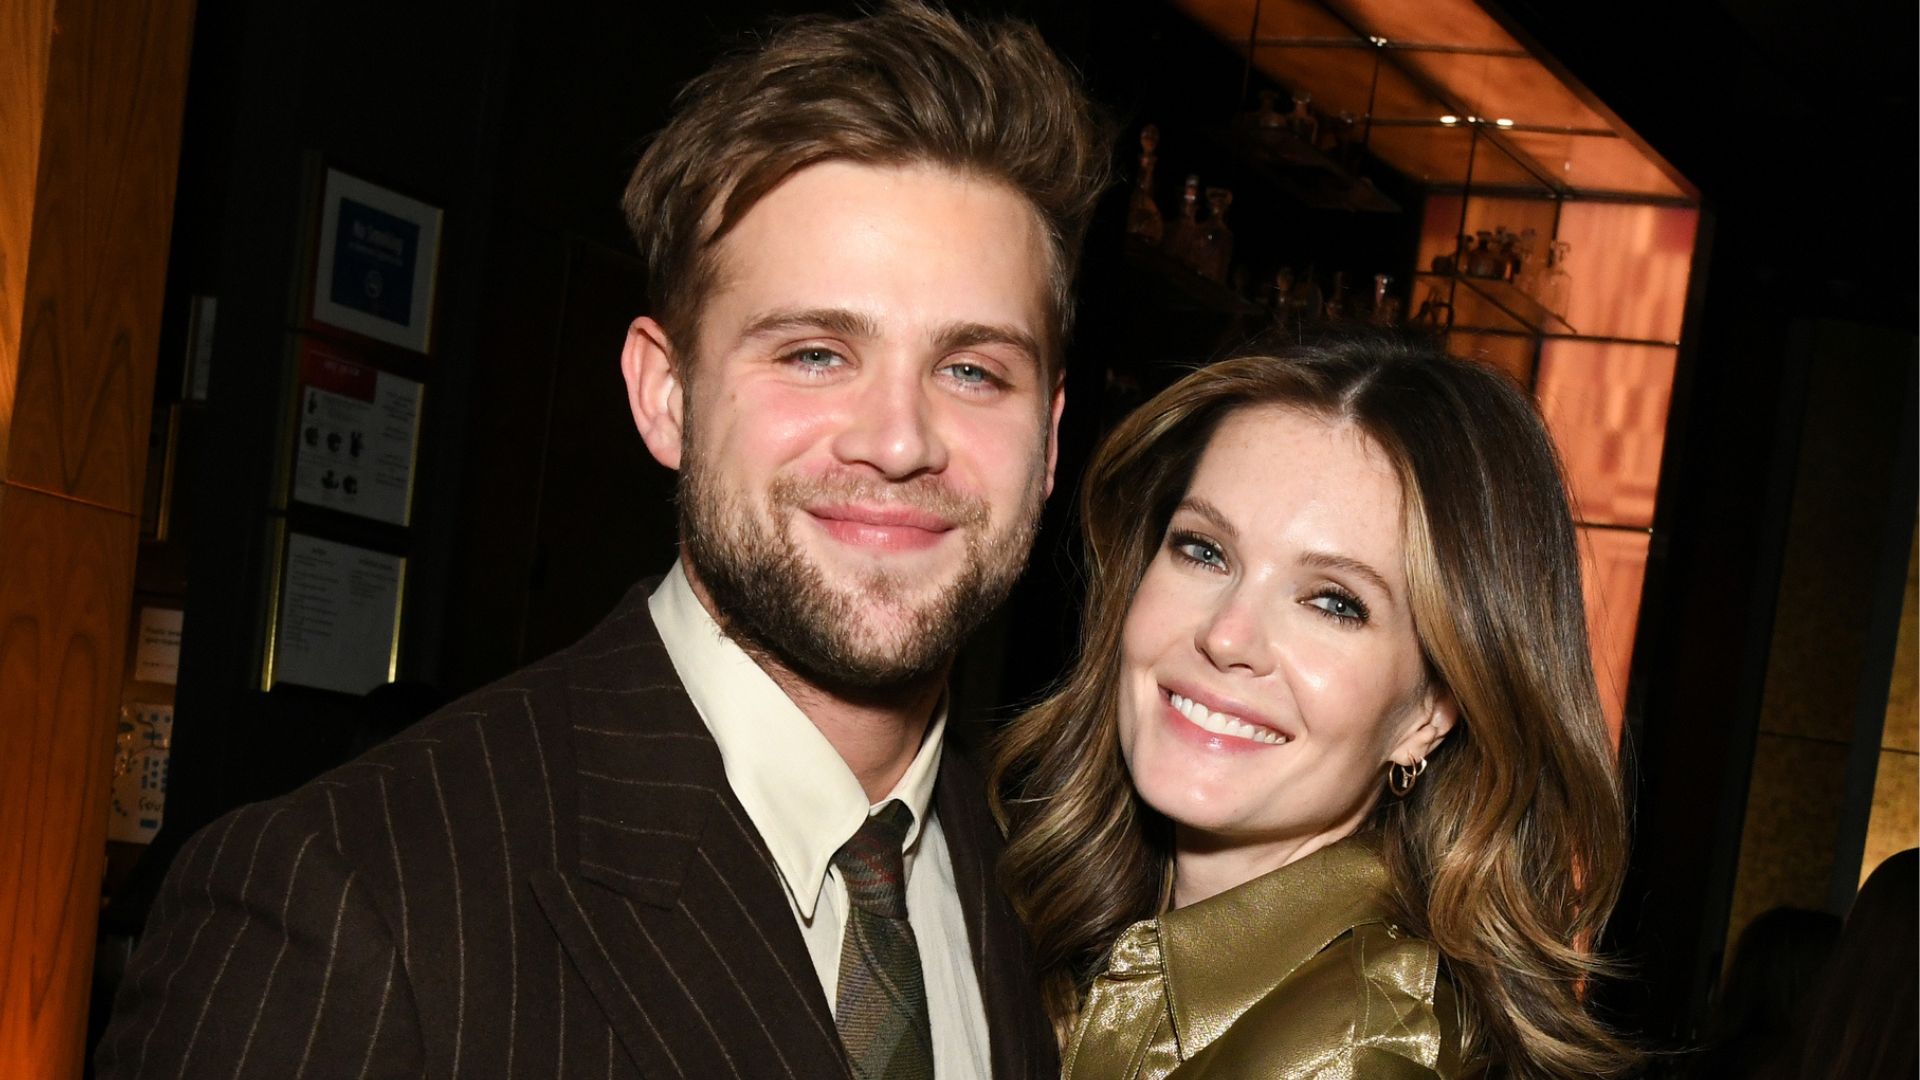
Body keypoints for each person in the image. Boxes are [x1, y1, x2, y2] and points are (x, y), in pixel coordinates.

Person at [97, 5, 1108, 1077]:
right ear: (664, 395)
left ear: (1047, 443)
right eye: (815, 354)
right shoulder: (345, 901)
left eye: (973, 372)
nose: (900, 441)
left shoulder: (1041, 894)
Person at [993, 332, 1640, 1078]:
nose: (1227, 636)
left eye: (1333, 602)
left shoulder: (1359, 1052)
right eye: (1204, 550)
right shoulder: (1031, 906)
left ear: (1431, 712)